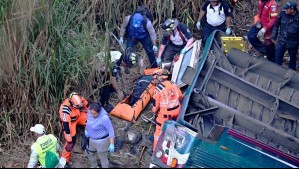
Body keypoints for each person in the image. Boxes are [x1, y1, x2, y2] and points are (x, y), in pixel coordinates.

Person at [151, 71, 183, 150]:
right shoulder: (173, 84)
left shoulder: (158, 90)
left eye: (155, 78)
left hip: (165, 115)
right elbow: (180, 96)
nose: (154, 81)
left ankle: (156, 150)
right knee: (176, 130)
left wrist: (154, 110)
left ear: (159, 77)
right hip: (178, 112)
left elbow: (155, 108)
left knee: (158, 133)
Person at [59, 92, 89, 167]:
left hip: (78, 116)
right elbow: (66, 125)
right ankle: (64, 160)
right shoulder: (65, 109)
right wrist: (68, 136)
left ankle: (87, 141)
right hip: (70, 123)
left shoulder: (78, 99)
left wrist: (90, 112)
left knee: (91, 122)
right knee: (71, 141)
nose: (79, 107)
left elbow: (86, 105)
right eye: (77, 106)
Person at [84, 102, 115, 168]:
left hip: (102, 141)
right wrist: (86, 130)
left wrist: (112, 143)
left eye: (94, 114)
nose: (92, 115)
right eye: (91, 113)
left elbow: (111, 130)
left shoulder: (104, 118)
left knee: (103, 157)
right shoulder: (89, 112)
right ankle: (94, 166)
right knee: (89, 153)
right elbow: (88, 121)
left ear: (99, 112)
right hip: (91, 139)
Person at [271, 0, 299, 70]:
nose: (285, 10)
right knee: (278, 58)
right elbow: (276, 25)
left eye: (287, 9)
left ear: (292, 9)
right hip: (282, 40)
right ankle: (278, 71)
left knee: (292, 60)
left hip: (293, 42)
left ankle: (291, 74)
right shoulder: (282, 14)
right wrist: (273, 37)